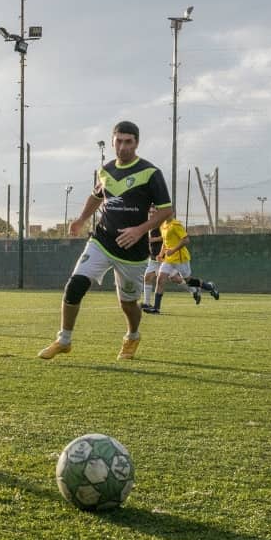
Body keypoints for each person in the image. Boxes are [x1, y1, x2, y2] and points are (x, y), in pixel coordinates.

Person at [37, 121, 173, 362]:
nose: (123, 147)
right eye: (118, 141)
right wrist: (80, 220)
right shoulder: (106, 171)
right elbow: (96, 195)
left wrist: (139, 230)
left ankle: (132, 336)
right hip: (102, 240)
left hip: (133, 250)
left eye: (128, 141)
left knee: (129, 304)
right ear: (112, 142)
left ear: (137, 143)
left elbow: (166, 211)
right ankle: (64, 340)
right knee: (75, 285)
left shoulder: (151, 173)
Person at [145, 209, 219, 314]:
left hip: (181, 258)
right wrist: (161, 254)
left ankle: (210, 287)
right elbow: (165, 242)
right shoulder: (163, 226)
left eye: (169, 212)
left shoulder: (176, 225)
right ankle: (156, 308)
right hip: (168, 259)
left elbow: (186, 240)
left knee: (189, 281)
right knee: (160, 280)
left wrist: (173, 250)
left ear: (173, 213)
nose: (167, 214)